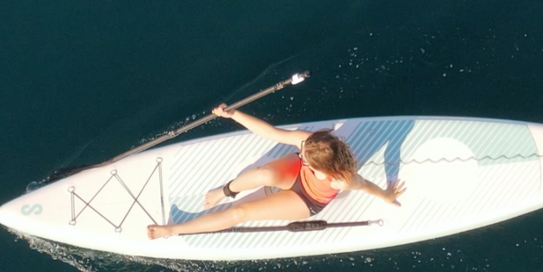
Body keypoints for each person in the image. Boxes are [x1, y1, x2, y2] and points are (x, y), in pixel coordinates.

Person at [147, 105, 406, 239]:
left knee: (241, 212)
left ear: (322, 167)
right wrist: (233, 114)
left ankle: (173, 230)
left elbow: (365, 185)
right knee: (263, 175)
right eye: (303, 152)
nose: (301, 152)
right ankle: (225, 190)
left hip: (307, 200)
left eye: (305, 157)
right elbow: (270, 132)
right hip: (295, 175)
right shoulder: (312, 142)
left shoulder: (341, 181)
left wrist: (385, 195)